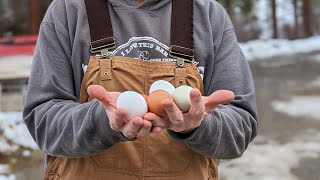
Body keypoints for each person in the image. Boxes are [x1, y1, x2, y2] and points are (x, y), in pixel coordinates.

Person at [23, 0, 258, 179]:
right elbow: (43, 122)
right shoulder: (67, 11)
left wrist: (199, 126)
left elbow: (240, 129)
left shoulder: (209, 15)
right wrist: (101, 122)